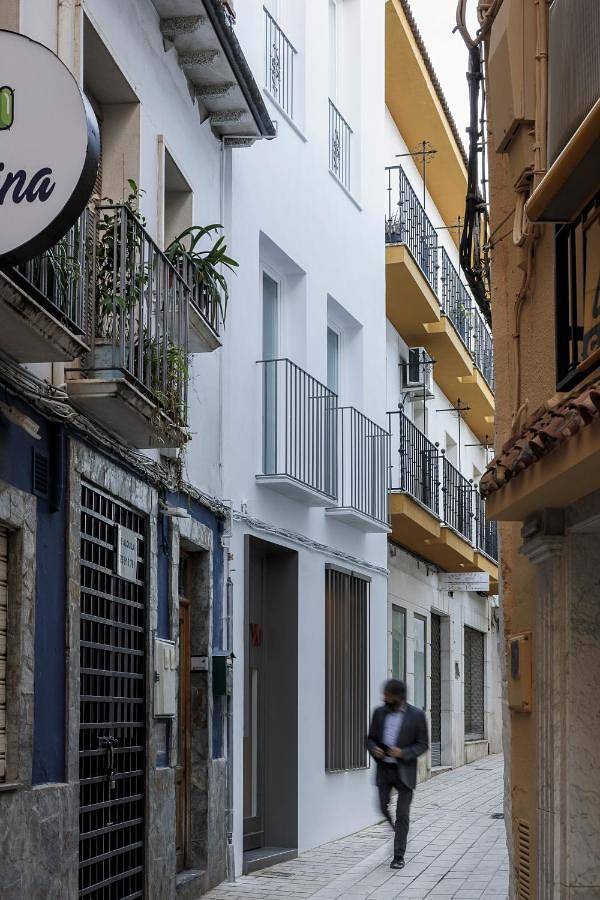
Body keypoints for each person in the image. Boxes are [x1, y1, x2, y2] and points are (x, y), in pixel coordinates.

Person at [366, 679, 429, 869]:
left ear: (399, 697)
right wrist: (374, 749)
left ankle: (398, 856)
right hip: (384, 769)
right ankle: (398, 831)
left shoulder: (417, 715)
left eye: (388, 695)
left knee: (402, 814)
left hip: (405, 771)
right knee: (382, 808)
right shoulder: (379, 713)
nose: (384, 697)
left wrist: (404, 753)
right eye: (384, 694)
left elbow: (423, 744)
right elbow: (369, 739)